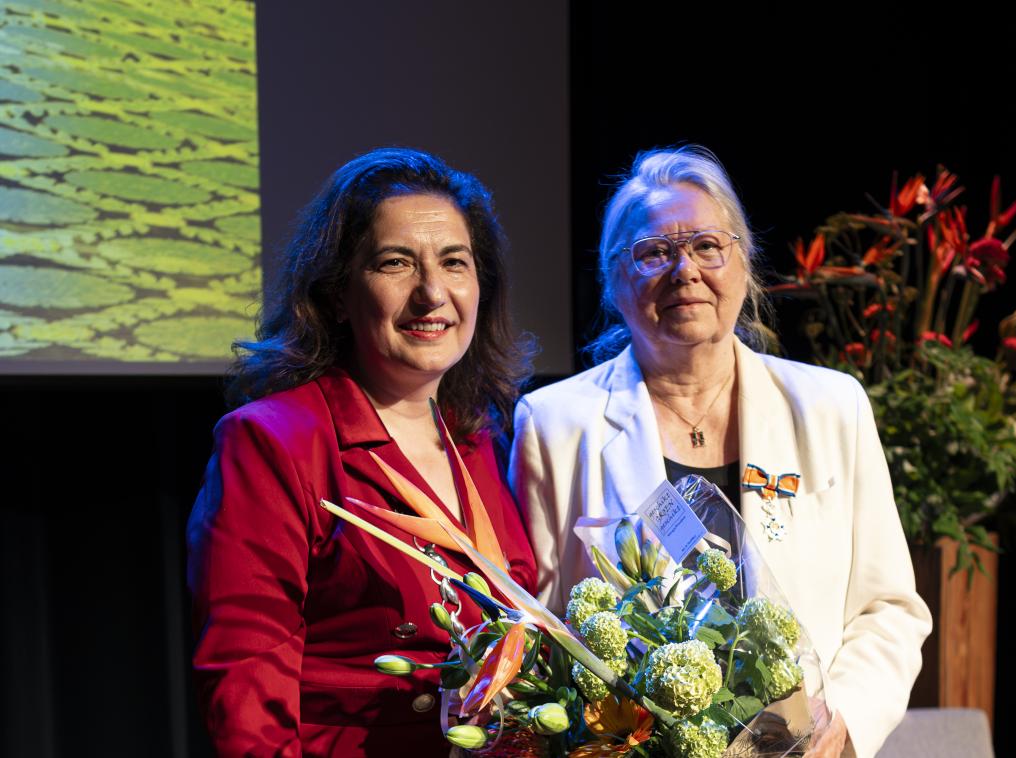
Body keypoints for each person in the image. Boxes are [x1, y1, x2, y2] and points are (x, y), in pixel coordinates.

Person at [509, 146, 932, 758]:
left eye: (707, 246)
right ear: (612, 278)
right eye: (653, 252)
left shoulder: (832, 407)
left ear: (743, 262)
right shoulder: (555, 425)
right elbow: (543, 626)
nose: (684, 270)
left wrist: (843, 724)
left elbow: (889, 606)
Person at [187, 147, 537, 756]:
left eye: (454, 262)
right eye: (395, 263)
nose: (432, 293)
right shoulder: (275, 440)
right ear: (338, 295)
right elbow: (245, 684)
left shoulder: (481, 439)